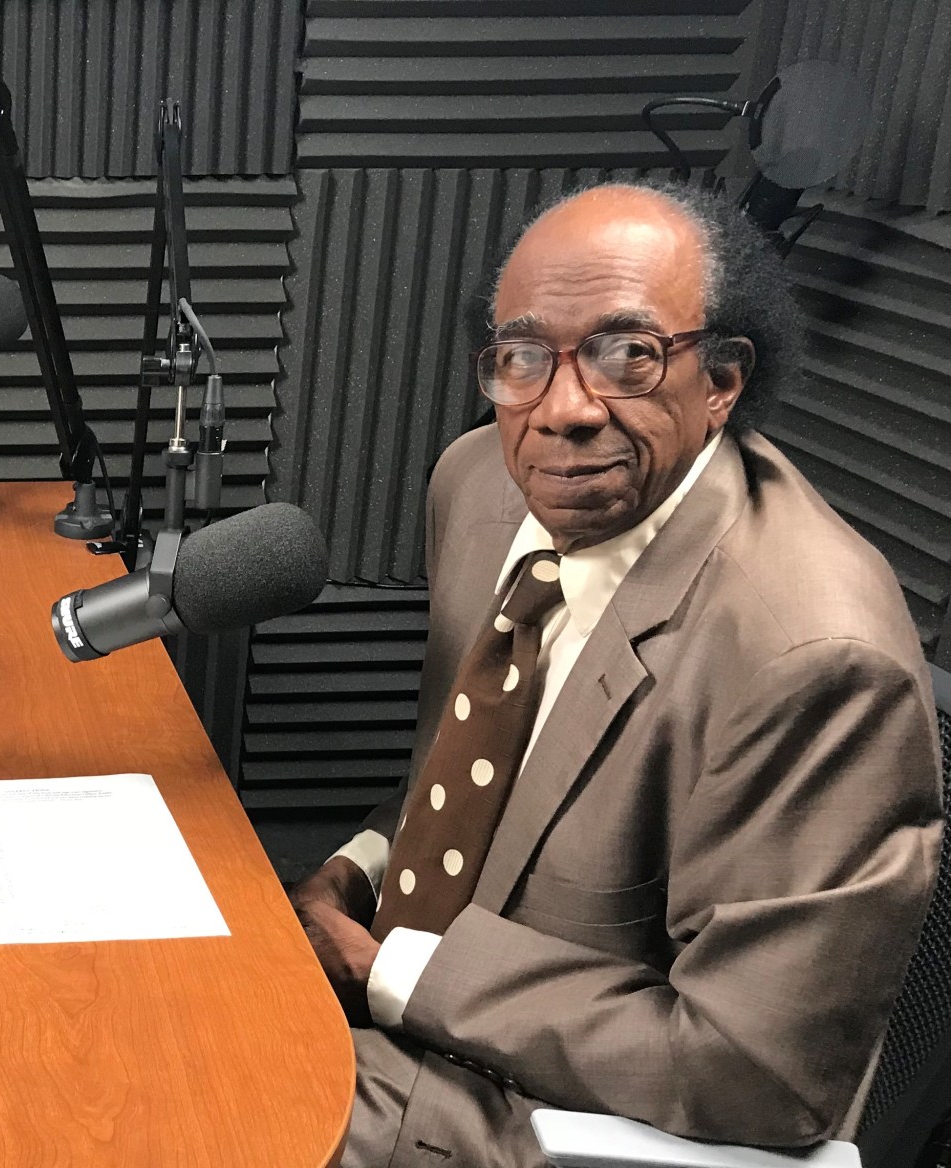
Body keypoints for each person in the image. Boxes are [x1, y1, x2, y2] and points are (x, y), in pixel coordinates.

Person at [289, 181, 943, 1163]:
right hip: (421, 987)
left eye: (626, 354)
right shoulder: (478, 487)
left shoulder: (813, 661)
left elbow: (753, 1075)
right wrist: (356, 870)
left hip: (552, 1112)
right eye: (522, 357)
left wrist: (387, 970)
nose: (563, 410)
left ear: (722, 380)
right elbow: (467, 776)